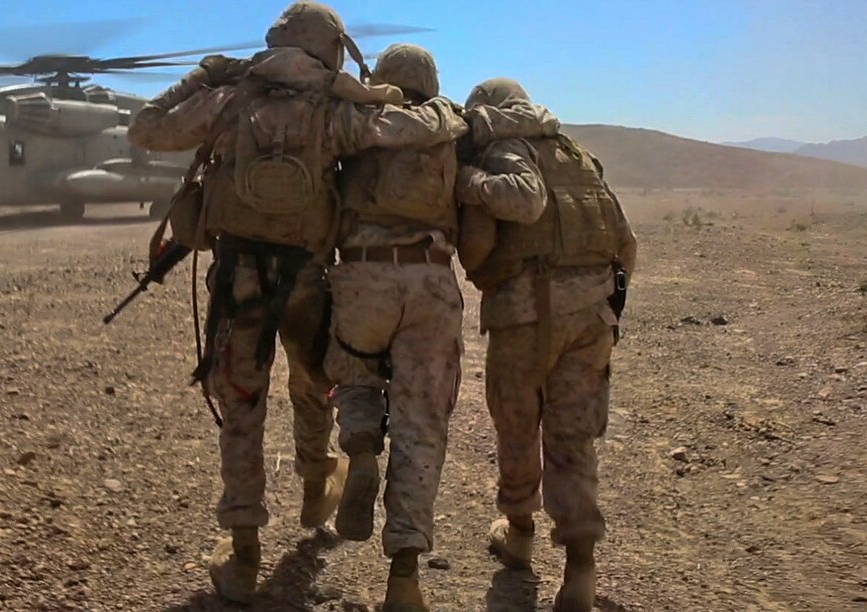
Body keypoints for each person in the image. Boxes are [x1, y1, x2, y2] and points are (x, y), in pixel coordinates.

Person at [127, 2, 466, 604]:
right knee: (318, 382)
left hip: (238, 276)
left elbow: (147, 129)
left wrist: (201, 76)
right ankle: (317, 479)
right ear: (330, 49)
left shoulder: (229, 99)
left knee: (241, 404)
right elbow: (407, 131)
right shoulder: (333, 109)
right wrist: (441, 111)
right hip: (308, 278)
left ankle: (243, 552)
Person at [454, 78, 637, 612]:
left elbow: (509, 216)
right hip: (593, 314)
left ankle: (520, 532)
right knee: (573, 436)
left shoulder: (503, 151)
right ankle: (580, 568)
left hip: (525, 314)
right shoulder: (576, 154)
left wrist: (467, 183)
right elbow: (626, 242)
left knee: (517, 424)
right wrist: (605, 304)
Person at [322, 43, 465, 612]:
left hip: (360, 273)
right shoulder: (449, 127)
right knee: (422, 424)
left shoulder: (354, 125)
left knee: (354, 369)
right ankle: (404, 577)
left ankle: (359, 447)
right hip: (429, 280)